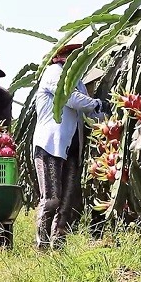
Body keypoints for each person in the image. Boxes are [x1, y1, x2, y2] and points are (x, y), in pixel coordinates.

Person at [32, 40, 108, 249]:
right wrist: (97, 103)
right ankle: (42, 246)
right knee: (51, 199)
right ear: (63, 56)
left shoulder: (79, 82)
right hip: (50, 146)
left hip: (72, 147)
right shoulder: (53, 73)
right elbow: (68, 97)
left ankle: (59, 245)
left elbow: (91, 110)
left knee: (66, 202)